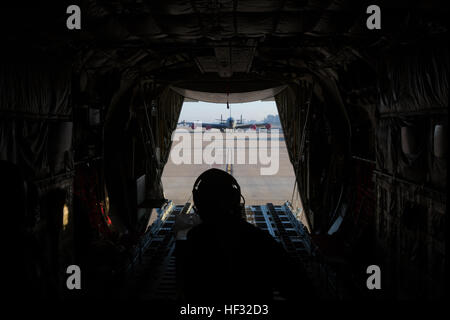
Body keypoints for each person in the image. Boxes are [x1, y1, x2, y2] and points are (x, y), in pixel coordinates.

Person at [176, 168, 313, 303]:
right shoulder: (258, 240)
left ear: (199, 204)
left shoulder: (193, 240)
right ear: (235, 200)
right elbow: (299, 288)